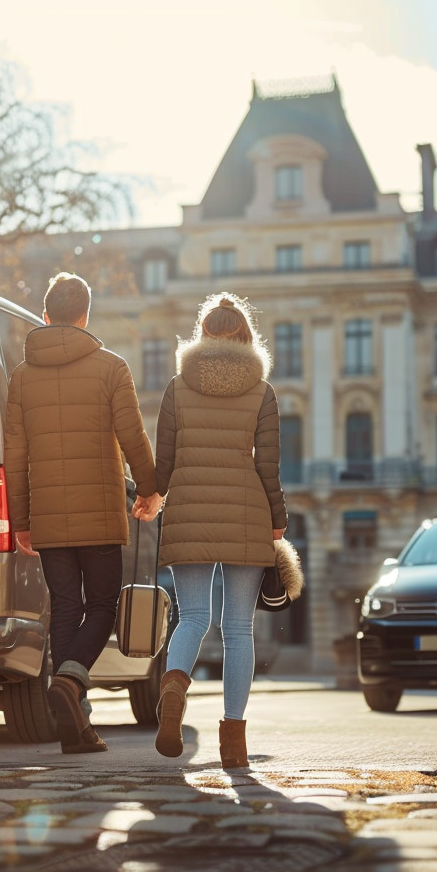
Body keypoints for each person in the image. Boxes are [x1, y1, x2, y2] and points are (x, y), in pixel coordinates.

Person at [4, 272, 162, 754]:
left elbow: (15, 454)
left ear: (46, 315)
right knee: (102, 607)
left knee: (65, 610)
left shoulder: (22, 377)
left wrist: (21, 518)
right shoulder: (111, 367)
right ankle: (71, 684)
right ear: (85, 316)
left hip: (49, 517)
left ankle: (76, 728)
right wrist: (150, 490)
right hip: (99, 512)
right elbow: (133, 436)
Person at [152, 292, 287, 770]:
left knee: (192, 618)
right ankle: (233, 743)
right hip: (246, 512)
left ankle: (172, 690)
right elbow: (267, 468)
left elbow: (162, 461)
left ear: (202, 336)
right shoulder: (262, 392)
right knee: (238, 629)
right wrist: (278, 520)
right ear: (247, 338)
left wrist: (149, 498)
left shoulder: (176, 387)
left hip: (189, 508)